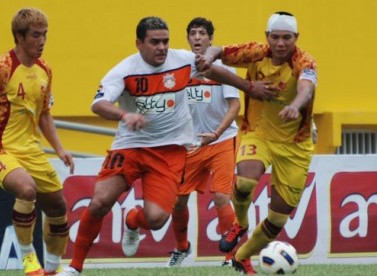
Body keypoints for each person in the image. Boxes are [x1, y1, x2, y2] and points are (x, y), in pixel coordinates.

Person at [58, 16, 272, 276]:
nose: (162, 47)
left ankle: (132, 220)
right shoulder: (124, 70)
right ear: (139, 43)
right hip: (130, 147)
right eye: (155, 42)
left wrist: (248, 87)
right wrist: (125, 116)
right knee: (100, 201)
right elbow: (98, 104)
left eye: (165, 41)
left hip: (170, 151)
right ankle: (74, 267)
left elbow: (213, 70)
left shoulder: (181, 60)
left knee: (157, 220)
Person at [199, 11, 317, 274]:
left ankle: (241, 256)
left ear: (296, 38)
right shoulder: (255, 52)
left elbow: (306, 88)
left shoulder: (305, 62)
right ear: (268, 37)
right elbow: (218, 51)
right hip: (258, 133)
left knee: (277, 219)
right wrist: (208, 57)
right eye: (275, 37)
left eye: (287, 38)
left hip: (295, 146)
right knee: (245, 182)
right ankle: (240, 223)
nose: (281, 43)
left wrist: (296, 106)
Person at [0, 8, 75, 276]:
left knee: (58, 207)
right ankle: (28, 258)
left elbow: (45, 114)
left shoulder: (44, 70)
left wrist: (60, 149)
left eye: (45, 35)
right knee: (27, 190)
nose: (42, 41)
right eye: (36, 35)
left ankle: (52, 268)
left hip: (31, 150)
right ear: (19, 36)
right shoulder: (0, 69)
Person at [166, 17, 240, 268]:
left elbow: (235, 105)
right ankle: (181, 247)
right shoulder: (179, 68)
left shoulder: (224, 67)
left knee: (221, 196)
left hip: (222, 139)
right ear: (187, 39)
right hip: (191, 144)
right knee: (177, 201)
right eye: (193, 33)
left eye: (202, 33)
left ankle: (232, 256)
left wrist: (217, 133)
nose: (197, 37)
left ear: (211, 39)